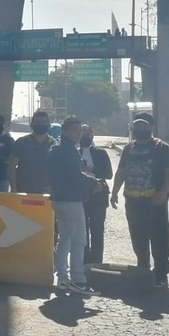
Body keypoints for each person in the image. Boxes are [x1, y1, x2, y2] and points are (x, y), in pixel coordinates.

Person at [110, 112, 169, 288]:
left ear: (151, 127)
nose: (140, 129)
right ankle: (143, 269)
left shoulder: (162, 148)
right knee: (138, 237)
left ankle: (161, 274)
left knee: (159, 238)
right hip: (133, 201)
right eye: (137, 126)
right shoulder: (128, 148)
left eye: (144, 126)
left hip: (154, 201)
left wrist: (163, 193)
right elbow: (122, 171)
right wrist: (115, 192)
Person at [48, 117, 104, 296]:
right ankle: (78, 279)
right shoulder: (68, 150)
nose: (79, 134)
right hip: (71, 199)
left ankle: (63, 278)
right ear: (65, 131)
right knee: (79, 240)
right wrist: (95, 183)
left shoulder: (56, 148)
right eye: (75, 130)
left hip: (59, 198)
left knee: (65, 238)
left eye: (80, 130)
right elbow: (75, 175)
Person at [80, 125, 113, 265]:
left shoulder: (101, 153)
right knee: (82, 233)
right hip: (81, 197)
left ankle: (97, 263)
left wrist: (93, 169)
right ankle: (84, 262)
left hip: (99, 197)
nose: (85, 137)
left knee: (97, 231)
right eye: (82, 133)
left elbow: (109, 174)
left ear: (92, 136)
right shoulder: (74, 152)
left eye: (88, 134)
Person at [8, 110, 55, 194]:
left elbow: (59, 169)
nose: (40, 124)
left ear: (48, 125)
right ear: (31, 124)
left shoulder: (55, 144)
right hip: (24, 191)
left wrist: (53, 187)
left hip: (47, 192)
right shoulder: (21, 142)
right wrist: (13, 188)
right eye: (37, 122)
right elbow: (12, 166)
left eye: (43, 122)